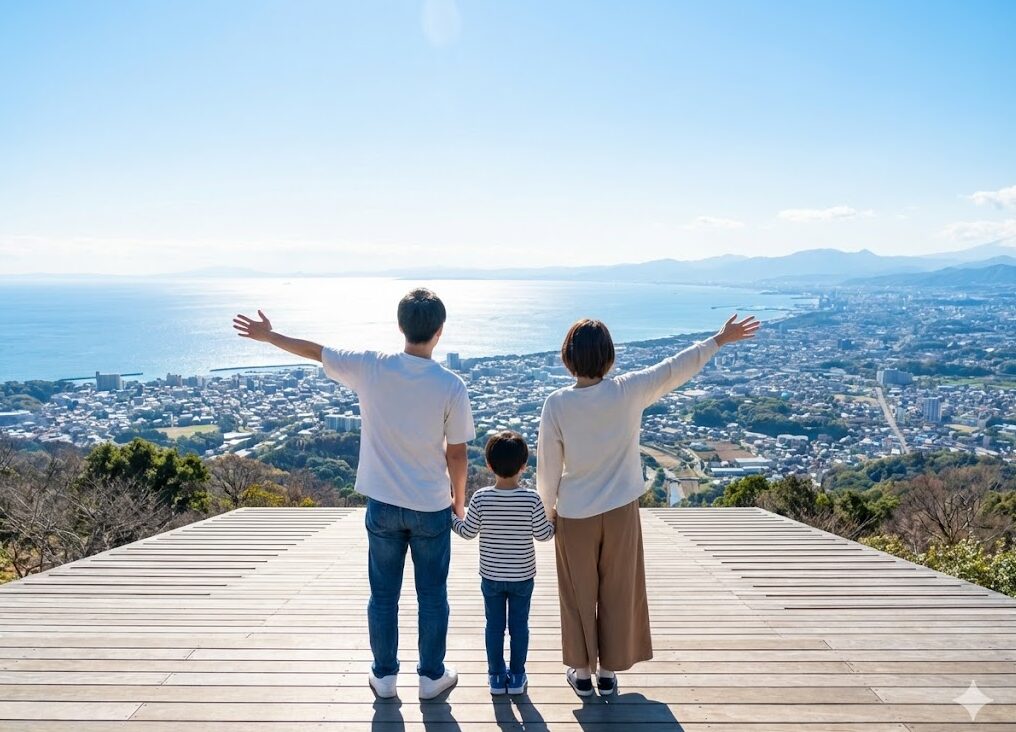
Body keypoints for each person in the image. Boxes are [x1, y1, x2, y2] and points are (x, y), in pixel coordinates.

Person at [232, 288, 475, 701]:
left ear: (400, 327)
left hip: (381, 503)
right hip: (431, 506)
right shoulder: (450, 384)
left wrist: (270, 337)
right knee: (432, 594)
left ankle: (384, 677)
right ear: (439, 331)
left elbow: (316, 351)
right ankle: (431, 677)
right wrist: (459, 500)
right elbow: (457, 452)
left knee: (383, 594)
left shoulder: (370, 367)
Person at [536, 314, 759, 696]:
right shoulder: (628, 390)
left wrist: (548, 512)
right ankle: (609, 673)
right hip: (621, 509)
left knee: (577, 593)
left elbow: (548, 469)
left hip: (574, 512)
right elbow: (674, 368)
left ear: (567, 358)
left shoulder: (556, 405)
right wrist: (718, 340)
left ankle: (582, 673)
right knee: (619, 589)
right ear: (609, 357)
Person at [452, 431, 554, 696]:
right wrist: (554, 520)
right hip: (522, 576)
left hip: (491, 576)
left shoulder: (481, 498)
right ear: (523, 466)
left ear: (488, 464)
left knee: (494, 627)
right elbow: (543, 535)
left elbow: (467, 532)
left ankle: (496, 676)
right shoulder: (531, 499)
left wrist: (449, 516)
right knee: (519, 626)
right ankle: (518, 675)